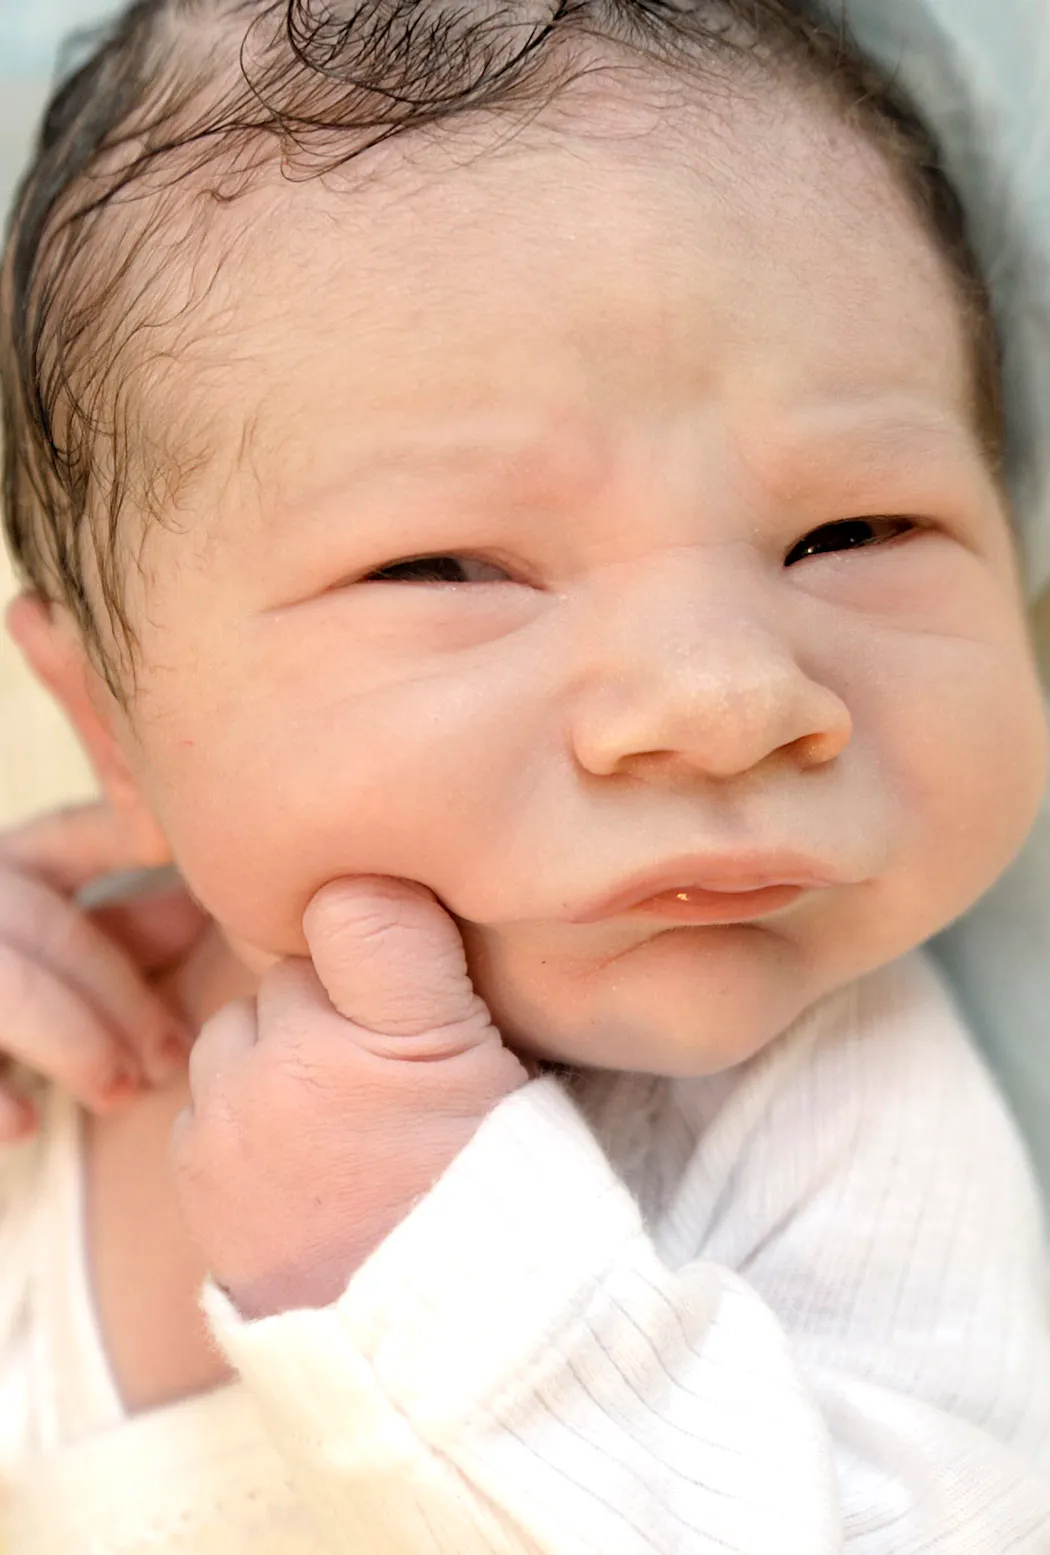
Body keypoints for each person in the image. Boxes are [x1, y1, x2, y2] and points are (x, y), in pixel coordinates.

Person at [1, 0, 1049, 1548]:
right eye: (450, 567)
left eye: (853, 534)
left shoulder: (823, 1099)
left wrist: (444, 1284)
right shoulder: (66, 1057)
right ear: (109, 728)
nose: (729, 700)